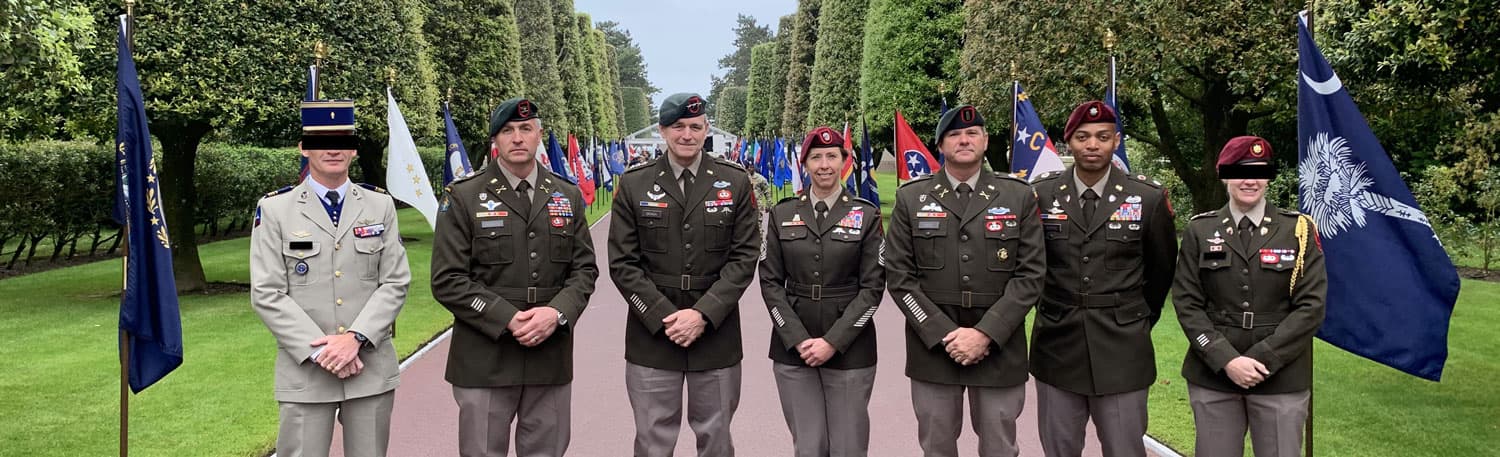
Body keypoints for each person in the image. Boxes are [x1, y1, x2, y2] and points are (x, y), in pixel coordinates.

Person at [429, 98, 599, 457]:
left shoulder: (566, 195)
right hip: (484, 358)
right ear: (496, 141)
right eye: (507, 131)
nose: (517, 138)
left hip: (549, 355)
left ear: (539, 135)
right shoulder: (464, 196)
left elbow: (584, 270)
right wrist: (506, 317)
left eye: (525, 129)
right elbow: (447, 279)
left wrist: (555, 314)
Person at [250, 97, 410, 457]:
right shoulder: (275, 209)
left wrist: (355, 339)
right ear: (304, 148)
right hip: (306, 371)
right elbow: (267, 293)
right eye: (322, 140)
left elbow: (396, 281)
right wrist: (327, 351)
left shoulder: (379, 205)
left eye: (343, 140)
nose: (333, 150)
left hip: (369, 366)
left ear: (354, 150)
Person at [884, 105, 1045, 457]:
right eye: (954, 135)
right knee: (937, 445)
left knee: (1000, 446)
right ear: (940, 145)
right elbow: (899, 276)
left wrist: (986, 334)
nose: (964, 140)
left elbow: (1031, 275)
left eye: (972, 133)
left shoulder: (1017, 195)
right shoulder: (912, 197)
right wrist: (944, 334)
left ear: (986, 141)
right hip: (934, 349)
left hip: (999, 346)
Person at [608, 93, 761, 456]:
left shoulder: (734, 181)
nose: (687, 135)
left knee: (717, 440)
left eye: (695, 126)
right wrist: (666, 317)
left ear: (706, 128)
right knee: (652, 442)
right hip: (653, 336)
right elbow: (623, 263)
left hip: (716, 334)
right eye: (678, 127)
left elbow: (744, 257)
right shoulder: (634, 183)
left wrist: (702, 315)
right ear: (662, 131)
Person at [1028, 101, 1177, 457]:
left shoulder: (1147, 197)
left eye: (1102, 136)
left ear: (1116, 141)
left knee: (1124, 448)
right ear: (1069, 143)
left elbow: (1161, 272)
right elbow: (1030, 265)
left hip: (1122, 347)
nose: (1092, 144)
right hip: (1058, 344)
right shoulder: (1042, 194)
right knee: (1060, 449)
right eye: (1083, 137)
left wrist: (1135, 317)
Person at [1173, 136, 1326, 457]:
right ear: (1224, 175)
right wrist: (1226, 359)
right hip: (1214, 374)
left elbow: (1311, 306)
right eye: (1239, 171)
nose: (1249, 179)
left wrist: (1262, 359)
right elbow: (1187, 302)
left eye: (1259, 171)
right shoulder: (1201, 230)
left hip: (1281, 375)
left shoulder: (1297, 230)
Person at [759, 126, 885, 457]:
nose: (824, 164)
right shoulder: (782, 214)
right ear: (805, 164)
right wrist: (798, 338)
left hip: (850, 348)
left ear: (844, 161)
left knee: (848, 446)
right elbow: (770, 283)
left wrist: (833, 342)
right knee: (809, 446)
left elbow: (873, 288)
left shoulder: (866, 215)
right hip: (793, 349)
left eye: (832, 156)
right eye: (816, 157)